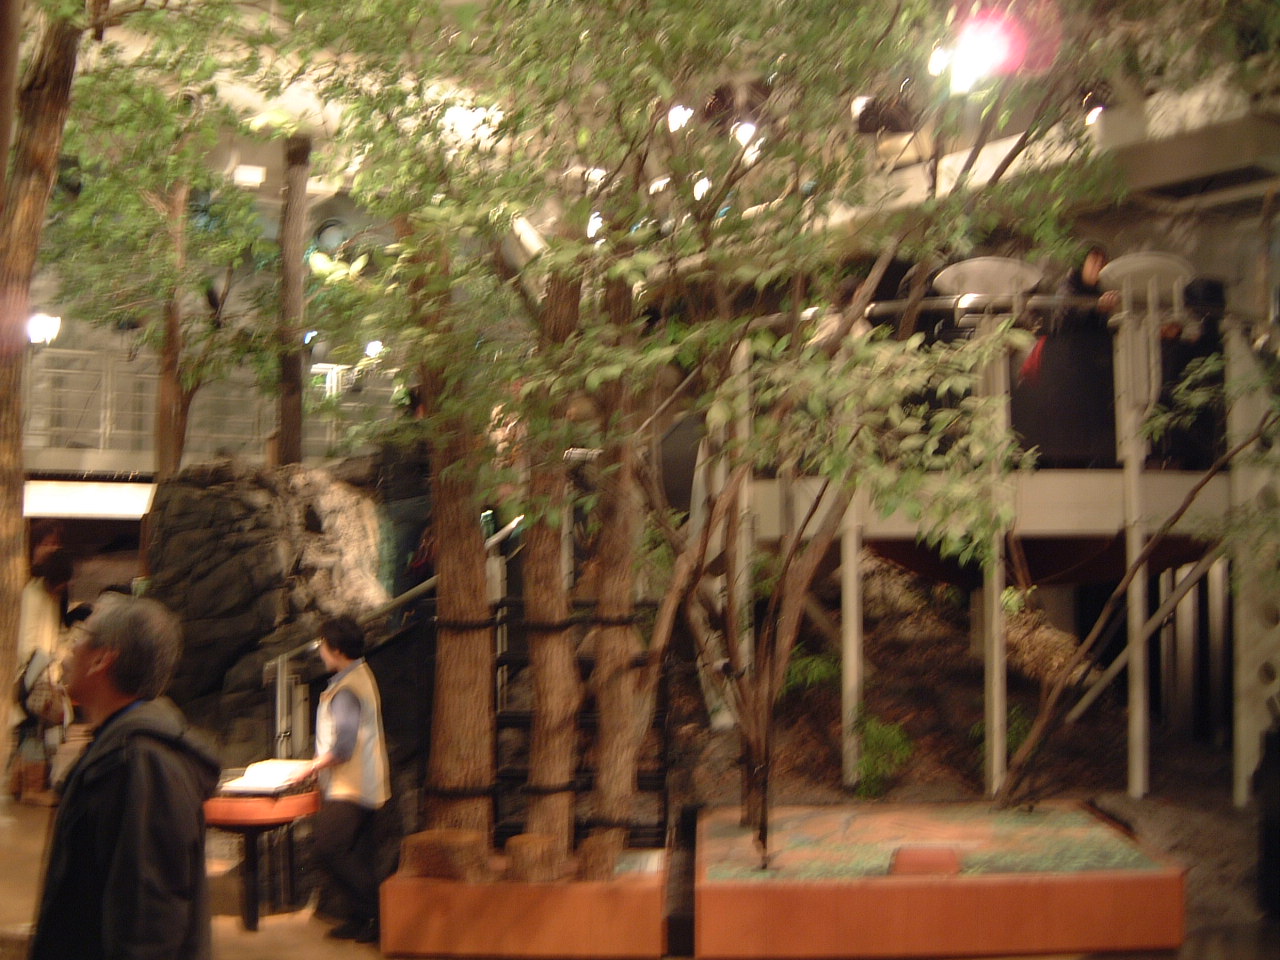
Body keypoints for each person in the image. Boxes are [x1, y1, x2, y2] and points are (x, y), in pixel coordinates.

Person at [29, 594, 221, 960]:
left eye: (80, 637)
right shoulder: (122, 747)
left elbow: (147, 924)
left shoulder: (140, 763)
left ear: (102, 659)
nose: (68, 651)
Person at [294, 615, 391, 944]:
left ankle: (376, 913)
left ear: (335, 649)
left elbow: (343, 747)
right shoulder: (359, 674)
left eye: (323, 645)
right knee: (356, 853)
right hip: (364, 781)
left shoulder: (347, 689)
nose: (321, 651)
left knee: (328, 849)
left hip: (351, 787)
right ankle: (362, 918)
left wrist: (310, 767)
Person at [9, 549, 74, 802]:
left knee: (30, 729)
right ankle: (33, 789)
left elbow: (53, 635)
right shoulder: (33, 595)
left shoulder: (48, 596)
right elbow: (28, 642)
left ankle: (18, 783)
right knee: (36, 730)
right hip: (34, 673)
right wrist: (45, 670)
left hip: (42, 670)